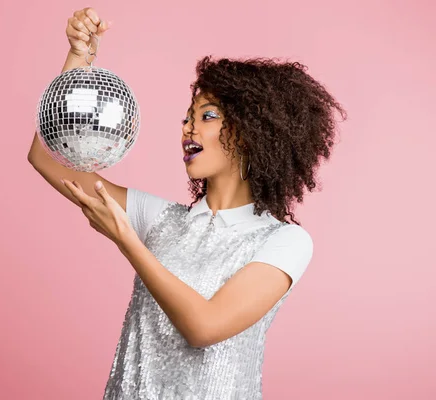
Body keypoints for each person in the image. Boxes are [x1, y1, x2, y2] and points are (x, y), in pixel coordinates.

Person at [28, 7, 346, 400]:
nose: (187, 127)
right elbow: (47, 157)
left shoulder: (286, 242)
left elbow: (204, 328)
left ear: (251, 134)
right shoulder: (161, 219)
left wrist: (127, 241)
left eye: (207, 116)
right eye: (187, 117)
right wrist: (80, 59)